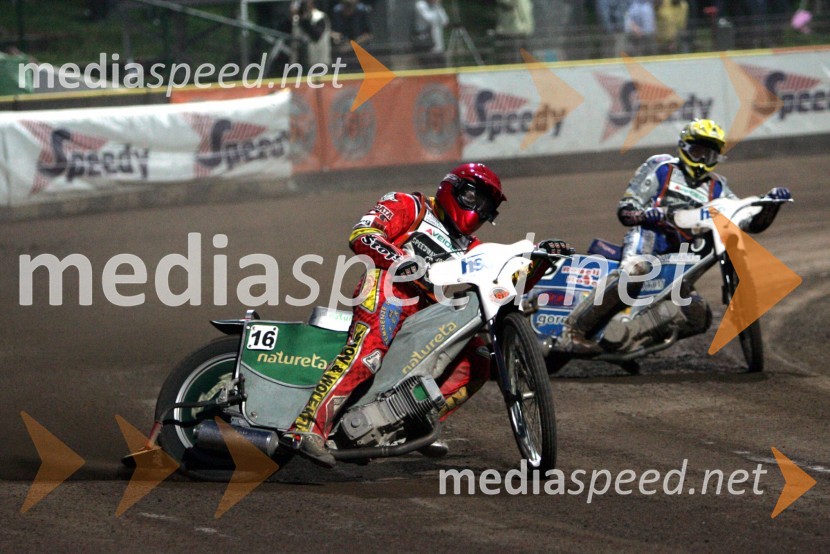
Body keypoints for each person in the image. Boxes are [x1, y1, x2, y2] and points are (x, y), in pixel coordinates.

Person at [289, 163, 572, 467]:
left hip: (428, 310)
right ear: (454, 189)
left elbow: (504, 285)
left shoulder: (473, 248)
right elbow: (363, 234)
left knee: (478, 359)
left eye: (486, 207)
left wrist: (541, 259)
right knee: (367, 354)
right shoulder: (410, 205)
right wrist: (400, 260)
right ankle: (306, 428)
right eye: (475, 198)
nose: (478, 210)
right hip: (389, 287)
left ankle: (407, 422)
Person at [557, 119, 792, 353]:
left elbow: (746, 222)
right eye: (697, 150)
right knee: (636, 270)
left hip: (682, 255)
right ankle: (571, 331)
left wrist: (771, 206)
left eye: (708, 155)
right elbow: (626, 209)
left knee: (698, 317)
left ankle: (631, 340)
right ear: (684, 146)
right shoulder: (661, 167)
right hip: (649, 237)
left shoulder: (719, 187)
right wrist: (646, 214)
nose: (701, 159)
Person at [330, 0, 373, 71]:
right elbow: (329, 30)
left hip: (359, 52)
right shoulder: (336, 13)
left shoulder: (362, 13)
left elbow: (368, 34)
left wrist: (351, 45)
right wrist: (334, 35)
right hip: (340, 52)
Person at [290, 0, 332, 67]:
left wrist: (304, 21)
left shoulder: (319, 17)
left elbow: (316, 36)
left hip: (319, 63)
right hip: (299, 64)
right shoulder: (297, 20)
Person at [494, 0, 535, 64]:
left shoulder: (525, 2)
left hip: (524, 33)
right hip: (511, 32)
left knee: (527, 61)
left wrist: (528, 28)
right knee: (512, 61)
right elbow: (506, 4)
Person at [412, 0, 450, 68]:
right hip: (426, 41)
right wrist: (436, 7)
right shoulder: (420, 5)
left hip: (438, 44)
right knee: (428, 66)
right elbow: (430, 19)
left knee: (441, 66)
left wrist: (438, 6)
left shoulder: (437, 6)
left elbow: (445, 21)